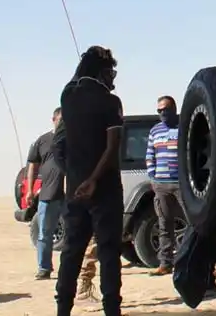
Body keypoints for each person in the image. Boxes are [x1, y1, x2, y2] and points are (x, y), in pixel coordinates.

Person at [52, 45, 124, 316]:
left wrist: (76, 177)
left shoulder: (68, 96)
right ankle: (111, 310)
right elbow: (112, 146)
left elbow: (61, 143)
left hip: (75, 188)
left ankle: (63, 310)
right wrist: (94, 179)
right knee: (108, 253)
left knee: (71, 252)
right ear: (102, 72)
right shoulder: (110, 101)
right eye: (112, 71)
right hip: (103, 187)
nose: (114, 78)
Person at [145, 95, 185, 276]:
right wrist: (153, 177)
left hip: (182, 184)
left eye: (165, 110)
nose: (162, 113)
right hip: (161, 184)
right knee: (164, 223)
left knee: (194, 223)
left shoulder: (184, 126)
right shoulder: (155, 131)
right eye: (159, 110)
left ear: (174, 109)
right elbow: (149, 155)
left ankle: (190, 262)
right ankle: (165, 263)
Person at [25, 106, 65, 280]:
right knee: (45, 233)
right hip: (49, 194)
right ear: (54, 119)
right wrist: (29, 190)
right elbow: (32, 164)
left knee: (79, 235)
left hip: (72, 194)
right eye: (61, 119)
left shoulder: (74, 139)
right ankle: (44, 268)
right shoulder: (43, 140)